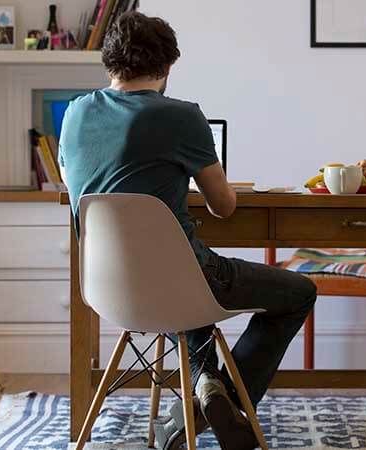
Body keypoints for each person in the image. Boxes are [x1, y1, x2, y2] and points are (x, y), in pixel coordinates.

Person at [58, 11, 316, 450]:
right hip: (182, 282)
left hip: (106, 289)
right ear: (168, 66)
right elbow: (223, 206)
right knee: (297, 292)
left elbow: (78, 187)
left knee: (180, 281)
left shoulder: (75, 113)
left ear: (109, 62)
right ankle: (222, 405)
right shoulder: (181, 117)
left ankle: (205, 384)